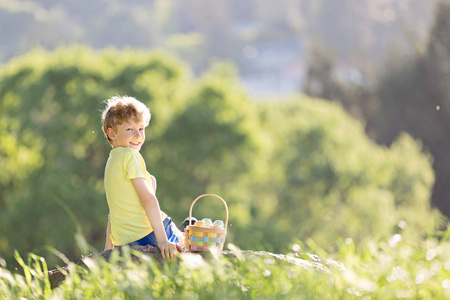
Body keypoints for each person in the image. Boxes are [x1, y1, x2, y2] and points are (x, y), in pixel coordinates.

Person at [101, 95, 181, 261]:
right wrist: (163, 241)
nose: (138, 135)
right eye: (130, 129)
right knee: (189, 242)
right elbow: (147, 198)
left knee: (151, 180)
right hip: (149, 234)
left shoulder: (111, 162)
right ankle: (185, 234)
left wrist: (108, 249)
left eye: (141, 129)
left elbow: (114, 211)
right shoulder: (130, 156)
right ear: (112, 133)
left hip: (126, 241)